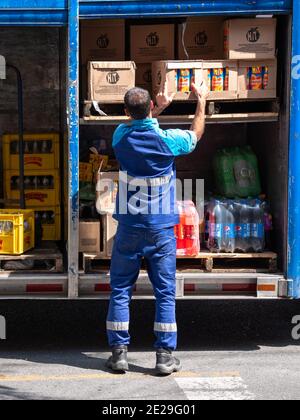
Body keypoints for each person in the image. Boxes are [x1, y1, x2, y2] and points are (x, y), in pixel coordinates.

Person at [98, 82, 208, 375]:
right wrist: (202, 102)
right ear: (149, 108)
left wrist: (157, 107)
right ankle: (163, 357)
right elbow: (196, 134)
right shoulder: (168, 142)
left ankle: (119, 353)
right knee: (164, 292)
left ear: (125, 111)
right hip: (160, 231)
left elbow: (137, 122)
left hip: (129, 229)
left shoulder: (120, 137)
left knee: (120, 289)